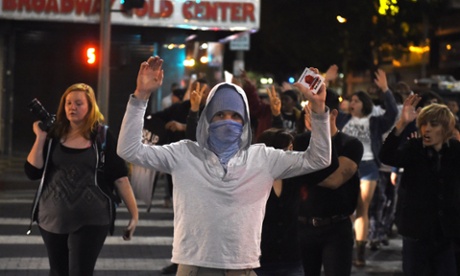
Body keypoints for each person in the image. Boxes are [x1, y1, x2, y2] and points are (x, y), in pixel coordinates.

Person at [117, 56, 332, 275]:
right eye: (219, 114)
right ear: (207, 119)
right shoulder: (184, 153)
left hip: (242, 267)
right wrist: (141, 96)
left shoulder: (263, 158)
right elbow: (129, 150)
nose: (227, 120)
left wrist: (318, 108)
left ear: (245, 121)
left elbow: (319, 159)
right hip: (194, 267)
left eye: (235, 116)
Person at [24, 83, 139, 276]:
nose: (72, 107)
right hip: (52, 218)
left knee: (80, 271)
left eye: (78, 103)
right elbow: (32, 172)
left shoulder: (101, 136)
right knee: (58, 271)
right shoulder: (54, 134)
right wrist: (41, 137)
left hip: (92, 218)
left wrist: (134, 215)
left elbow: (120, 178)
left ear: (90, 107)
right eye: (68, 103)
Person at [379, 95, 460, 276]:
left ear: (446, 128)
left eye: (433, 125)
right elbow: (386, 156)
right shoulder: (414, 147)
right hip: (416, 230)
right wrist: (401, 123)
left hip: (447, 232)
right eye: (424, 124)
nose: (427, 129)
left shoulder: (455, 150)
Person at [293, 89, 363, 276]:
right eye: (307, 111)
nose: (309, 116)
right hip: (303, 226)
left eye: (315, 111)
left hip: (336, 227)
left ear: (332, 114)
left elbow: (335, 180)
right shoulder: (299, 142)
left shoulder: (350, 144)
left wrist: (299, 170)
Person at [338, 69, 398, 267]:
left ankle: (360, 252)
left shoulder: (374, 122)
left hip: (369, 166)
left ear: (364, 103)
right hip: (346, 167)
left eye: (356, 100)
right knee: (346, 209)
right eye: (351, 100)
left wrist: (385, 89)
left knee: (362, 207)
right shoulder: (342, 120)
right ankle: (345, 246)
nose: (352, 103)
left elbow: (392, 114)